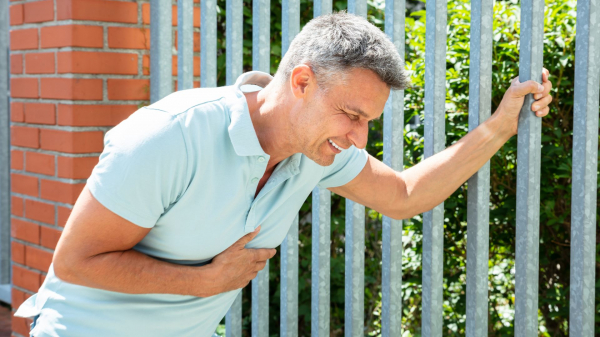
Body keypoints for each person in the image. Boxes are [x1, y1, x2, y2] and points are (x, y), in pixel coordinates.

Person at [15, 12, 552, 337]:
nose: (358, 138)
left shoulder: (317, 149)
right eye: (352, 115)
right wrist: (204, 281)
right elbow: (76, 261)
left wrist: (500, 127)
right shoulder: (169, 136)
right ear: (300, 82)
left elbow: (404, 194)